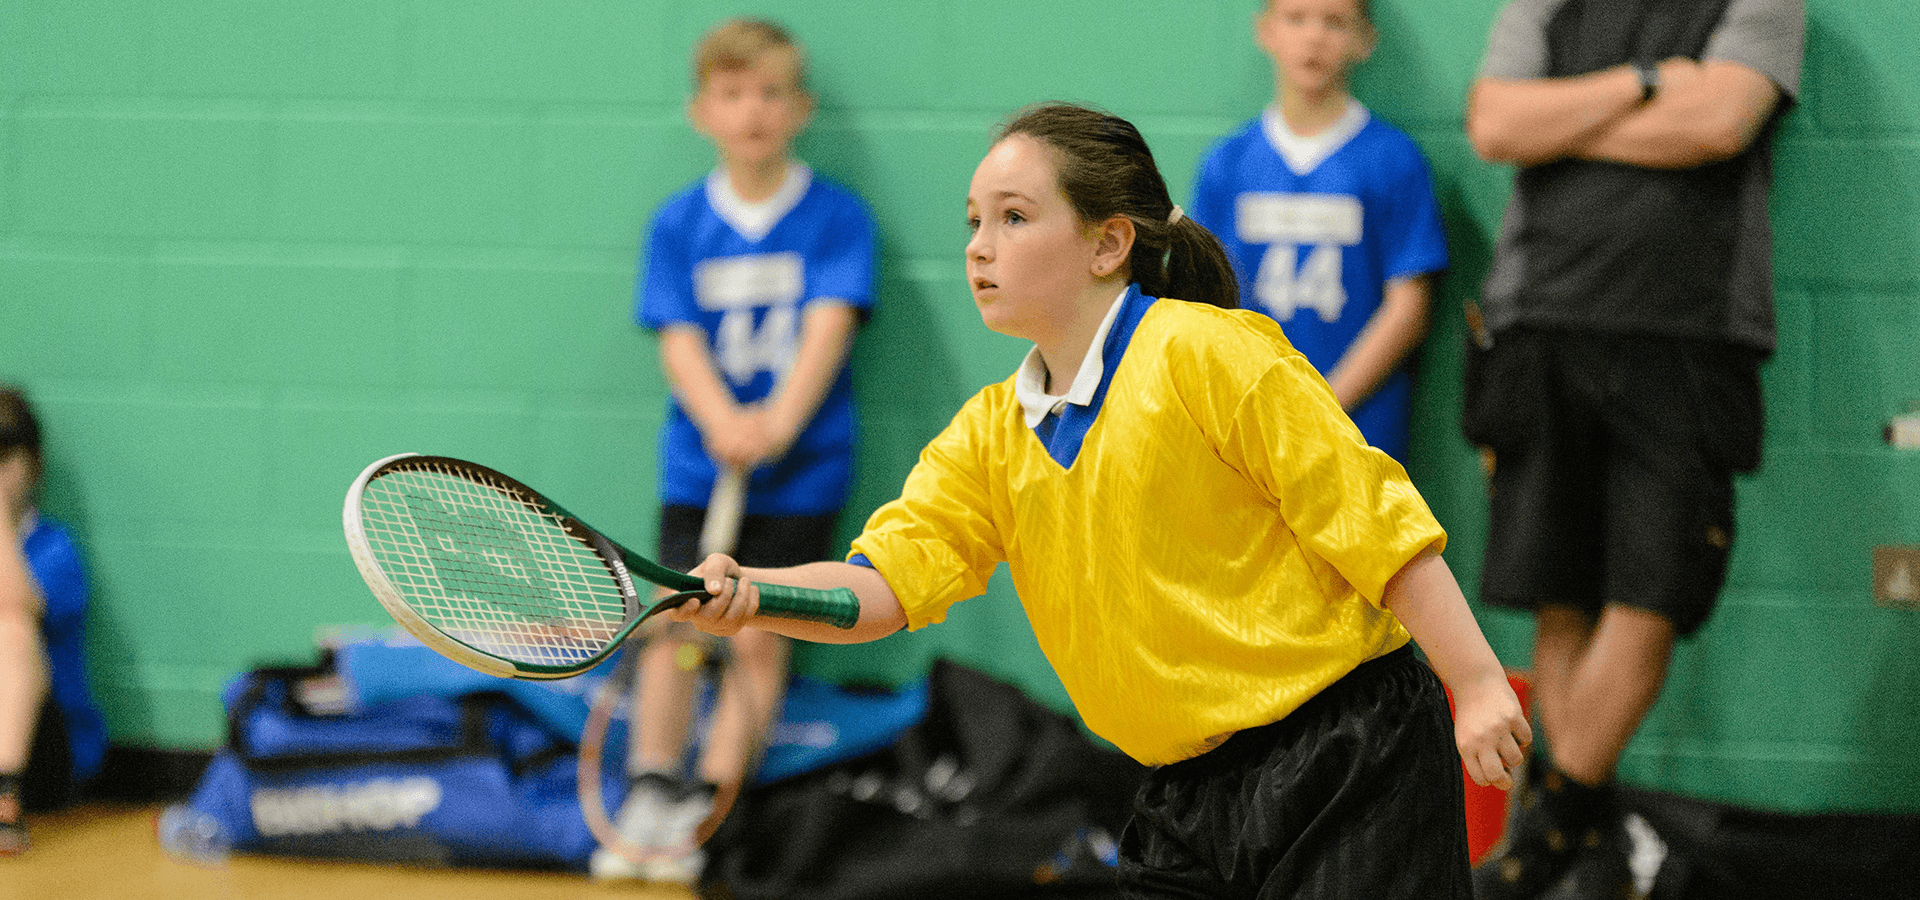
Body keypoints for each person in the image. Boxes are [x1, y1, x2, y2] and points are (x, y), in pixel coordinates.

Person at [661, 102, 1528, 899]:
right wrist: (758, 596)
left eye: (1012, 216)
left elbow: (1376, 524)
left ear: (1108, 244)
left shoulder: (1209, 353)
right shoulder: (988, 435)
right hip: (1182, 790)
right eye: (973, 221)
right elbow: (884, 587)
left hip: (1345, 751)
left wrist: (1478, 682)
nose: (978, 246)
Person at [1461, 1, 1803, 897]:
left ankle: (1549, 835)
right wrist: (1645, 87)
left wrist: (1564, 125)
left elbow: (1721, 123)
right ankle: (1582, 846)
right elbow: (1497, 124)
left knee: (1651, 592)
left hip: (1690, 336)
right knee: (1561, 597)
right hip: (1540, 323)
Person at [594, 17, 878, 885]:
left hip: (801, 471)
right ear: (700, 111)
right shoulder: (679, 224)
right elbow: (677, 338)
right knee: (676, 622)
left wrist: (777, 426)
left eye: (769, 93)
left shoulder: (836, 216)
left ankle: (712, 806)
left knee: (760, 631)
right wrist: (723, 421)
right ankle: (650, 788)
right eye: (731, 94)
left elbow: (829, 328)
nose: (751, 111)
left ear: (801, 108)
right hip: (701, 465)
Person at [1189, 0, 1447, 464]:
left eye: (1335, 22)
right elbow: (1202, 301)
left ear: (1365, 39)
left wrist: (1322, 404)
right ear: (1265, 30)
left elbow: (1408, 307)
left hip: (1358, 431)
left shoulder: (1394, 159)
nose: (1314, 37)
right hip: (1248, 424)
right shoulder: (1226, 163)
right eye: (1296, 18)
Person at [1, 386, 107, 856]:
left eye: (4, 458)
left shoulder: (53, 549)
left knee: (13, 630)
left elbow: (15, 605)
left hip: (45, 757)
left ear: (33, 465)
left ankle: (3, 800)